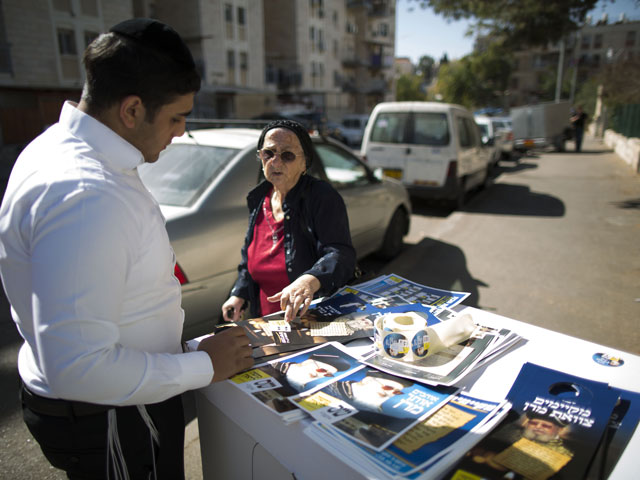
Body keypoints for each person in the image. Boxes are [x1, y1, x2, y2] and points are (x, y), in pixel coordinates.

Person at [0, 18, 253, 480]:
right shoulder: (86, 194)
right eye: (177, 117)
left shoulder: (63, 149)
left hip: (115, 404)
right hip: (112, 413)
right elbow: (78, 368)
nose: (181, 132)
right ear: (132, 109)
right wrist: (203, 365)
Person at [221, 119, 356, 323]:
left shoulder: (322, 197)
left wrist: (310, 280)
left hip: (309, 319)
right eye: (268, 153)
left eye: (287, 155)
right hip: (266, 321)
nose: (275, 163)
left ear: (304, 163)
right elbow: (249, 258)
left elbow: (341, 253)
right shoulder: (258, 198)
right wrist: (239, 293)